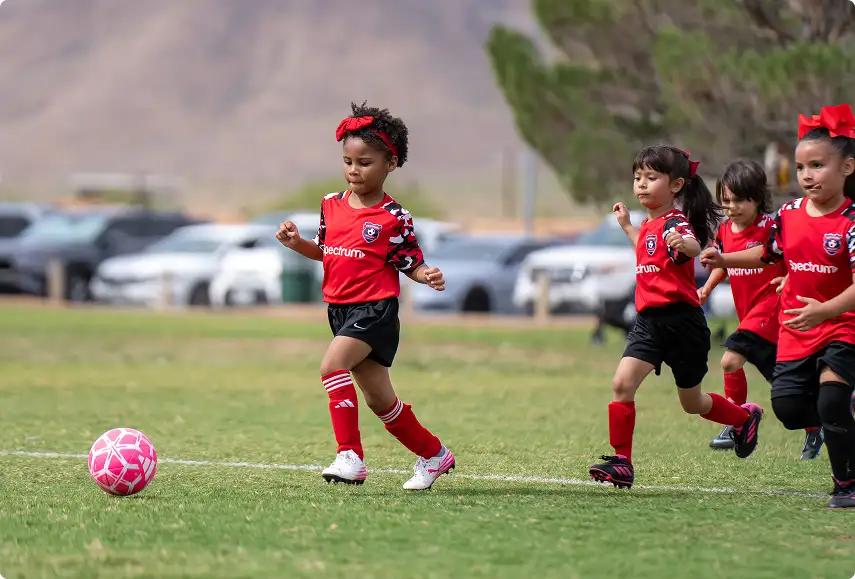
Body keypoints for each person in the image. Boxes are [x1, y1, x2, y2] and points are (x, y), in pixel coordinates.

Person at [276, 102, 455, 491]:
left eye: (365, 162)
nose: (354, 170)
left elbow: (410, 262)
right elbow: (326, 252)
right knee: (380, 402)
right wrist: (297, 244)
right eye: (348, 161)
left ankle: (350, 456)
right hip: (339, 311)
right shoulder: (330, 204)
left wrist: (427, 275)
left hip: (375, 310)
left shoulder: (394, 217)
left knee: (331, 367)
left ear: (390, 163)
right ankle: (435, 454)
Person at [701, 103, 855, 508]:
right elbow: (766, 254)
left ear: (847, 168)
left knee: (831, 401)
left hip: (843, 325)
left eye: (818, 165)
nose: (807, 175)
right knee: (788, 408)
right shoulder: (787, 216)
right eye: (802, 167)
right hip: (796, 329)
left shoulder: (851, 221)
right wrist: (724, 260)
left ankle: (846, 484)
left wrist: (825, 309)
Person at [589, 145, 763, 489]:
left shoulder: (676, 222)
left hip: (683, 324)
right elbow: (645, 245)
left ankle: (744, 418)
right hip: (649, 323)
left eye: (651, 178)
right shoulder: (650, 224)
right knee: (622, 384)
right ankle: (622, 462)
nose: (641, 184)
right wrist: (626, 227)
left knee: (692, 402)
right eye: (638, 177)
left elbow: (691, 245)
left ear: (676, 185)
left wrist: (689, 247)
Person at [698, 159, 824, 459]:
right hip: (754, 317)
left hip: (774, 307)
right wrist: (707, 287)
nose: (731, 207)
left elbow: (792, 257)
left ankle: (737, 421)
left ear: (757, 197)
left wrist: (791, 277)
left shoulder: (772, 228)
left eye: (740, 200)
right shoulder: (725, 230)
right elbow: (724, 263)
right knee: (788, 384)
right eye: (726, 200)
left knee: (730, 361)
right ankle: (815, 427)